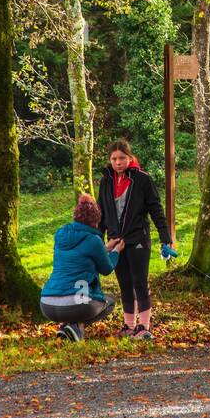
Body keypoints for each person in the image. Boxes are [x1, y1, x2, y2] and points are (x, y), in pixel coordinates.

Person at [97, 139, 173, 340]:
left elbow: (156, 210)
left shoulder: (142, 179)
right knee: (124, 283)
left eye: (122, 158)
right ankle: (128, 326)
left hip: (138, 239)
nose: (118, 162)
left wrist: (165, 238)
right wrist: (99, 241)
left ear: (129, 158)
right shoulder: (106, 181)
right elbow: (101, 214)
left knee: (139, 282)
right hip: (116, 243)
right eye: (114, 158)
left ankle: (144, 326)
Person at [40, 194, 124, 342]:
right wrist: (116, 251)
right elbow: (106, 269)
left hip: (47, 303)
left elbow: (79, 255)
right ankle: (76, 327)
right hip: (76, 304)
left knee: (73, 302)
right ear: (96, 221)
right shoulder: (93, 240)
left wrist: (105, 248)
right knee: (110, 301)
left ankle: (65, 329)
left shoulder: (61, 235)